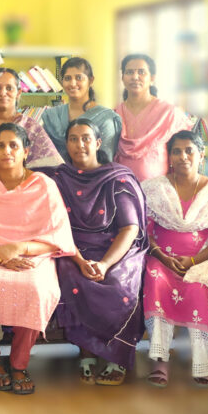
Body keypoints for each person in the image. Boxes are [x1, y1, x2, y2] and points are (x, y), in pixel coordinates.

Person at [0, 123, 76, 395]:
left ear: (26, 151)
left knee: (36, 287)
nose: (7, 151)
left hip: (32, 253)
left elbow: (57, 235)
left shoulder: (44, 185)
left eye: (14, 145)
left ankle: (18, 363)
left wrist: (18, 247)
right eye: (0, 146)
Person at [37, 119, 147, 386]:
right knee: (70, 276)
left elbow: (130, 228)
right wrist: (79, 259)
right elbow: (55, 226)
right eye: (73, 139)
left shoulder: (117, 178)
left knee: (119, 284)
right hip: (72, 247)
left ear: (98, 143)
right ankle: (86, 353)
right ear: (66, 145)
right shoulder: (58, 179)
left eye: (86, 138)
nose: (80, 145)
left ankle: (116, 357)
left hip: (116, 249)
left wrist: (105, 264)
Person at [142, 130, 208, 388]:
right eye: (176, 151)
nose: (183, 156)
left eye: (189, 151)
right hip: (161, 258)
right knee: (155, 279)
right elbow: (144, 231)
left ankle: (202, 363)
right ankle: (159, 360)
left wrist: (193, 262)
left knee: (198, 289)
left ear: (201, 155)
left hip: (202, 260)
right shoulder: (154, 189)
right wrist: (162, 256)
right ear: (169, 157)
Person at [114, 54, 192, 181]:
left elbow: (185, 154)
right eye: (129, 72)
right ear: (122, 78)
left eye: (141, 72)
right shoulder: (114, 114)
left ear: (152, 78)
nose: (135, 77)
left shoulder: (169, 113)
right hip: (121, 188)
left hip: (158, 188)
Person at [40, 57, 122, 163]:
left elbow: (105, 161)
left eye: (79, 78)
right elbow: (44, 155)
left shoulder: (106, 119)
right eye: (67, 78)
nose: (72, 83)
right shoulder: (52, 116)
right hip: (56, 172)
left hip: (95, 173)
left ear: (90, 80)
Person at [0, 69, 62, 170]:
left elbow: (53, 164)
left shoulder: (30, 125)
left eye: (9, 88)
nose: (3, 93)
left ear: (18, 92)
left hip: (28, 179)